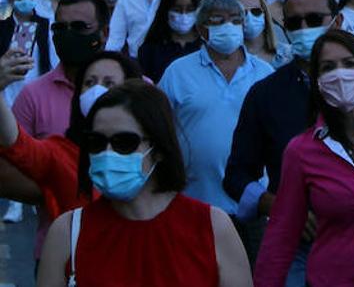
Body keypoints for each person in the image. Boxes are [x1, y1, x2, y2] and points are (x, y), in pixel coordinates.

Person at [36, 81, 252, 287]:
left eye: (124, 143)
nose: (107, 154)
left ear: (158, 149)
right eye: (97, 142)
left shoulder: (212, 227)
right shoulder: (68, 232)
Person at [253, 30, 354, 287]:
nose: (340, 74)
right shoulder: (301, 150)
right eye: (328, 67)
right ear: (317, 80)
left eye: (349, 64)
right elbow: (281, 234)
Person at [224, 0, 341, 284]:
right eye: (293, 23)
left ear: (336, 21)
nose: (304, 29)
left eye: (314, 20)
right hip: (295, 246)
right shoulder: (266, 94)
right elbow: (237, 174)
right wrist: (280, 207)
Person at [0, 51, 143, 257]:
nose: (97, 90)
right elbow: (17, 143)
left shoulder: (149, 152)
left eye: (109, 83)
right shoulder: (62, 154)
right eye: (89, 82)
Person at [158, 0, 275, 213]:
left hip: (253, 205)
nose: (228, 26)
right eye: (218, 21)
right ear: (202, 29)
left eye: (235, 20)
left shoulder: (264, 73)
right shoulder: (178, 72)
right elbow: (158, 126)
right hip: (194, 202)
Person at [14, 0, 110, 141]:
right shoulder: (32, 97)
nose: (69, 34)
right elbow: (15, 157)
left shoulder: (135, 88)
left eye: (79, 27)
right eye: (60, 28)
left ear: (104, 33)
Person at [135, 0, 206, 83]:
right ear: (166, 10)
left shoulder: (207, 47)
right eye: (177, 10)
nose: (183, 15)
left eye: (190, 9)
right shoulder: (150, 50)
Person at [1, 0, 53, 105]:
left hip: (37, 96)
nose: (26, 0)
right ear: (10, 0)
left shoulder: (46, 25)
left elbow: (53, 61)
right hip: (7, 96)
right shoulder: (2, 28)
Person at [235, 0, 288, 69]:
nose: (249, 17)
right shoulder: (229, 60)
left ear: (265, 14)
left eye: (256, 11)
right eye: (243, 13)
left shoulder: (287, 55)